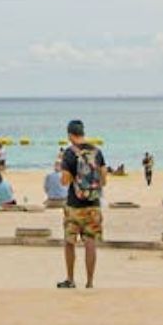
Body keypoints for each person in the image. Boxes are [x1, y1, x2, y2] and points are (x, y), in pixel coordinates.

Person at [57, 120, 106, 288]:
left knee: (69, 242)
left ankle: (70, 279)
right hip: (93, 204)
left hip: (74, 205)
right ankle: (90, 282)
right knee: (90, 242)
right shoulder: (97, 152)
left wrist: (72, 178)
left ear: (70, 135)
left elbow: (64, 181)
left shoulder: (69, 154)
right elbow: (104, 180)